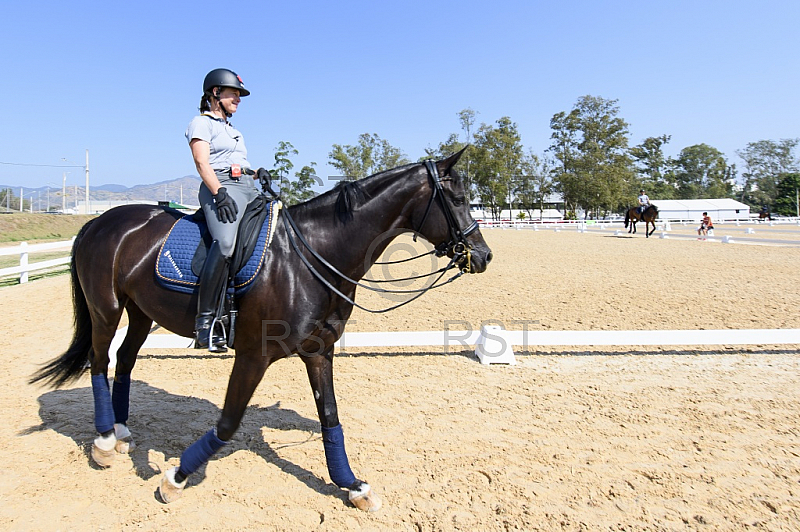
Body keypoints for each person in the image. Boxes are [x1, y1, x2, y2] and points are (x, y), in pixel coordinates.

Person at [186, 68, 261, 351]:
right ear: (215, 93)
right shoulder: (201, 124)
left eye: (239, 95)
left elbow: (240, 165)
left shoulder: (234, 131)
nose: (238, 99)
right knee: (226, 243)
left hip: (245, 186)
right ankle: (204, 324)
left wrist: (257, 173)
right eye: (234, 93)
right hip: (220, 187)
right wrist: (219, 194)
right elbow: (202, 163)